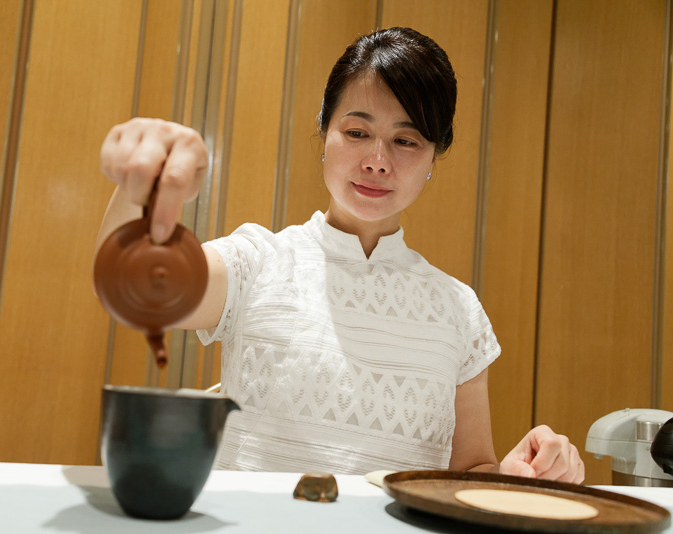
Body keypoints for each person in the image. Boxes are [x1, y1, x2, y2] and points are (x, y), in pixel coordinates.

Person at [95, 27, 585, 483]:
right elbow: (129, 284)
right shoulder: (259, 262)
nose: (377, 159)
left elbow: (470, 469)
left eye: (406, 140)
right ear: (324, 131)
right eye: (356, 132)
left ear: (435, 156)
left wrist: (520, 474)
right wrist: (142, 182)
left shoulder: (459, 310)